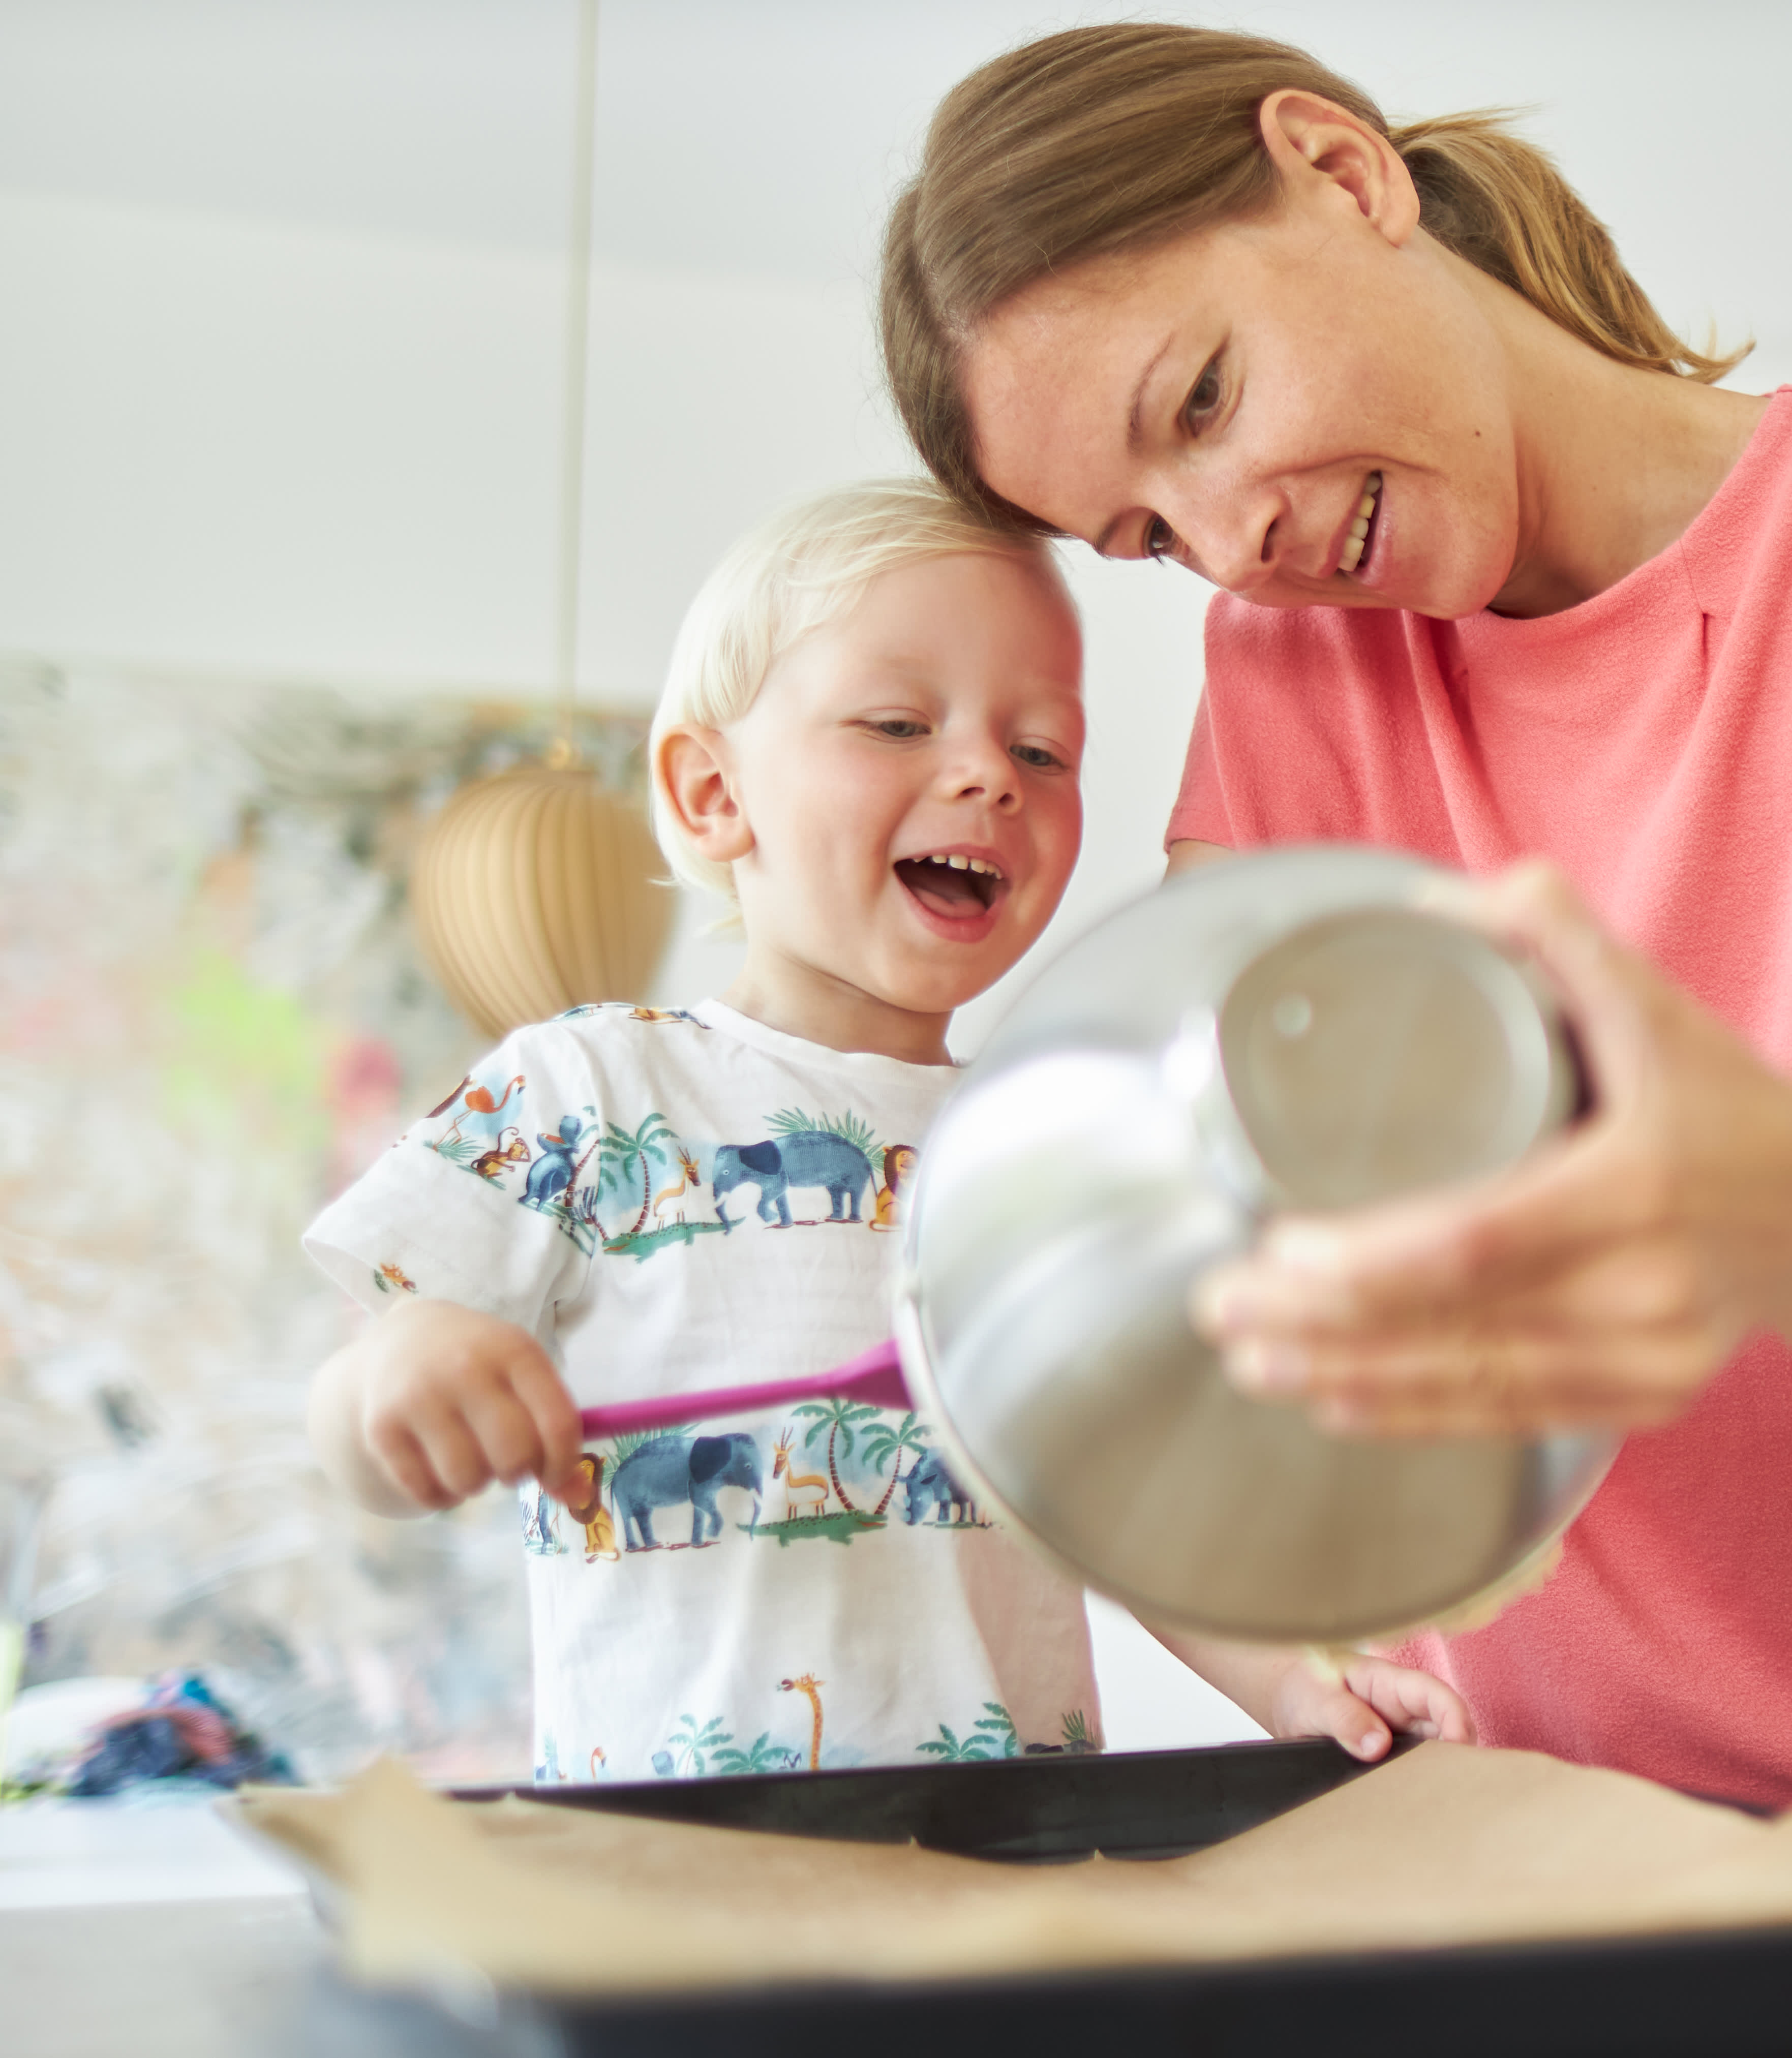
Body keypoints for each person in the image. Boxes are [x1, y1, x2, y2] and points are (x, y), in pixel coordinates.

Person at [873, 26, 1792, 1812]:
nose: (1233, 546)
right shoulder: (1291, 673)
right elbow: (1200, 1281)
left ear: (1342, 170)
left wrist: (1770, 1191)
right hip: (1540, 1859)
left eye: (1203, 401)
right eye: (1147, 534)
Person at [302, 479, 1468, 1781]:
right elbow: (363, 1393)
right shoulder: (586, 1089)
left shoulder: (1055, 1154)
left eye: (1043, 751)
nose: (986, 774)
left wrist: (1297, 1682)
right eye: (897, 723)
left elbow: (1116, 1504)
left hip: (1006, 1877)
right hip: (667, 1883)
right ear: (708, 795)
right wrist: (397, 1376)